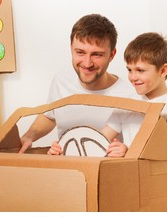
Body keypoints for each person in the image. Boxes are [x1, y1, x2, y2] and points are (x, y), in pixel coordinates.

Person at [48, 32, 167, 157]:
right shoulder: (126, 104)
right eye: (129, 70)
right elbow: (100, 140)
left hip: (160, 175)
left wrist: (128, 151)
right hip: (129, 174)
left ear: (163, 70)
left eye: (140, 70)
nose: (133, 77)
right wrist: (64, 149)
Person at [18, 14, 135, 154]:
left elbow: (138, 143)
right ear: (71, 49)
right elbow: (50, 116)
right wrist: (29, 136)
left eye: (97, 54)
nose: (87, 63)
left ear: (112, 55)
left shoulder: (129, 95)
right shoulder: (61, 80)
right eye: (80, 52)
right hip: (67, 170)